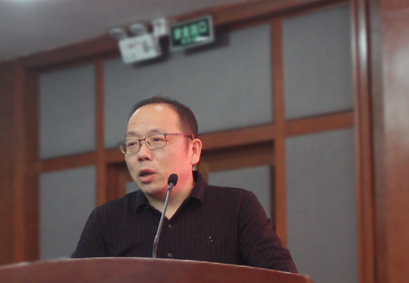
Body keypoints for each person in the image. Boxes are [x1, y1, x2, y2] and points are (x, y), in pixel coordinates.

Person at [71, 96, 297, 272]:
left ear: (194, 151)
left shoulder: (238, 208)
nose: (142, 154)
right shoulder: (106, 220)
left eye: (156, 140)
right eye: (132, 144)